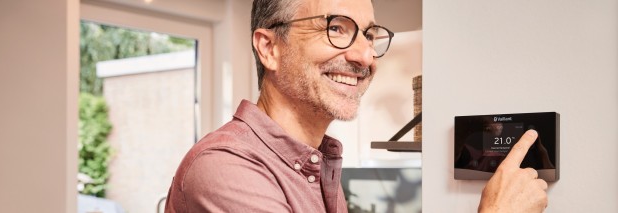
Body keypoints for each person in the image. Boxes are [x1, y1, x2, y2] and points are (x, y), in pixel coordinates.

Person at [165, 0, 549, 212]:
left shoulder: (317, 163)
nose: (366, 56)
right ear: (269, 48)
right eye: (336, 28)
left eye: (368, 34)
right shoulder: (225, 169)